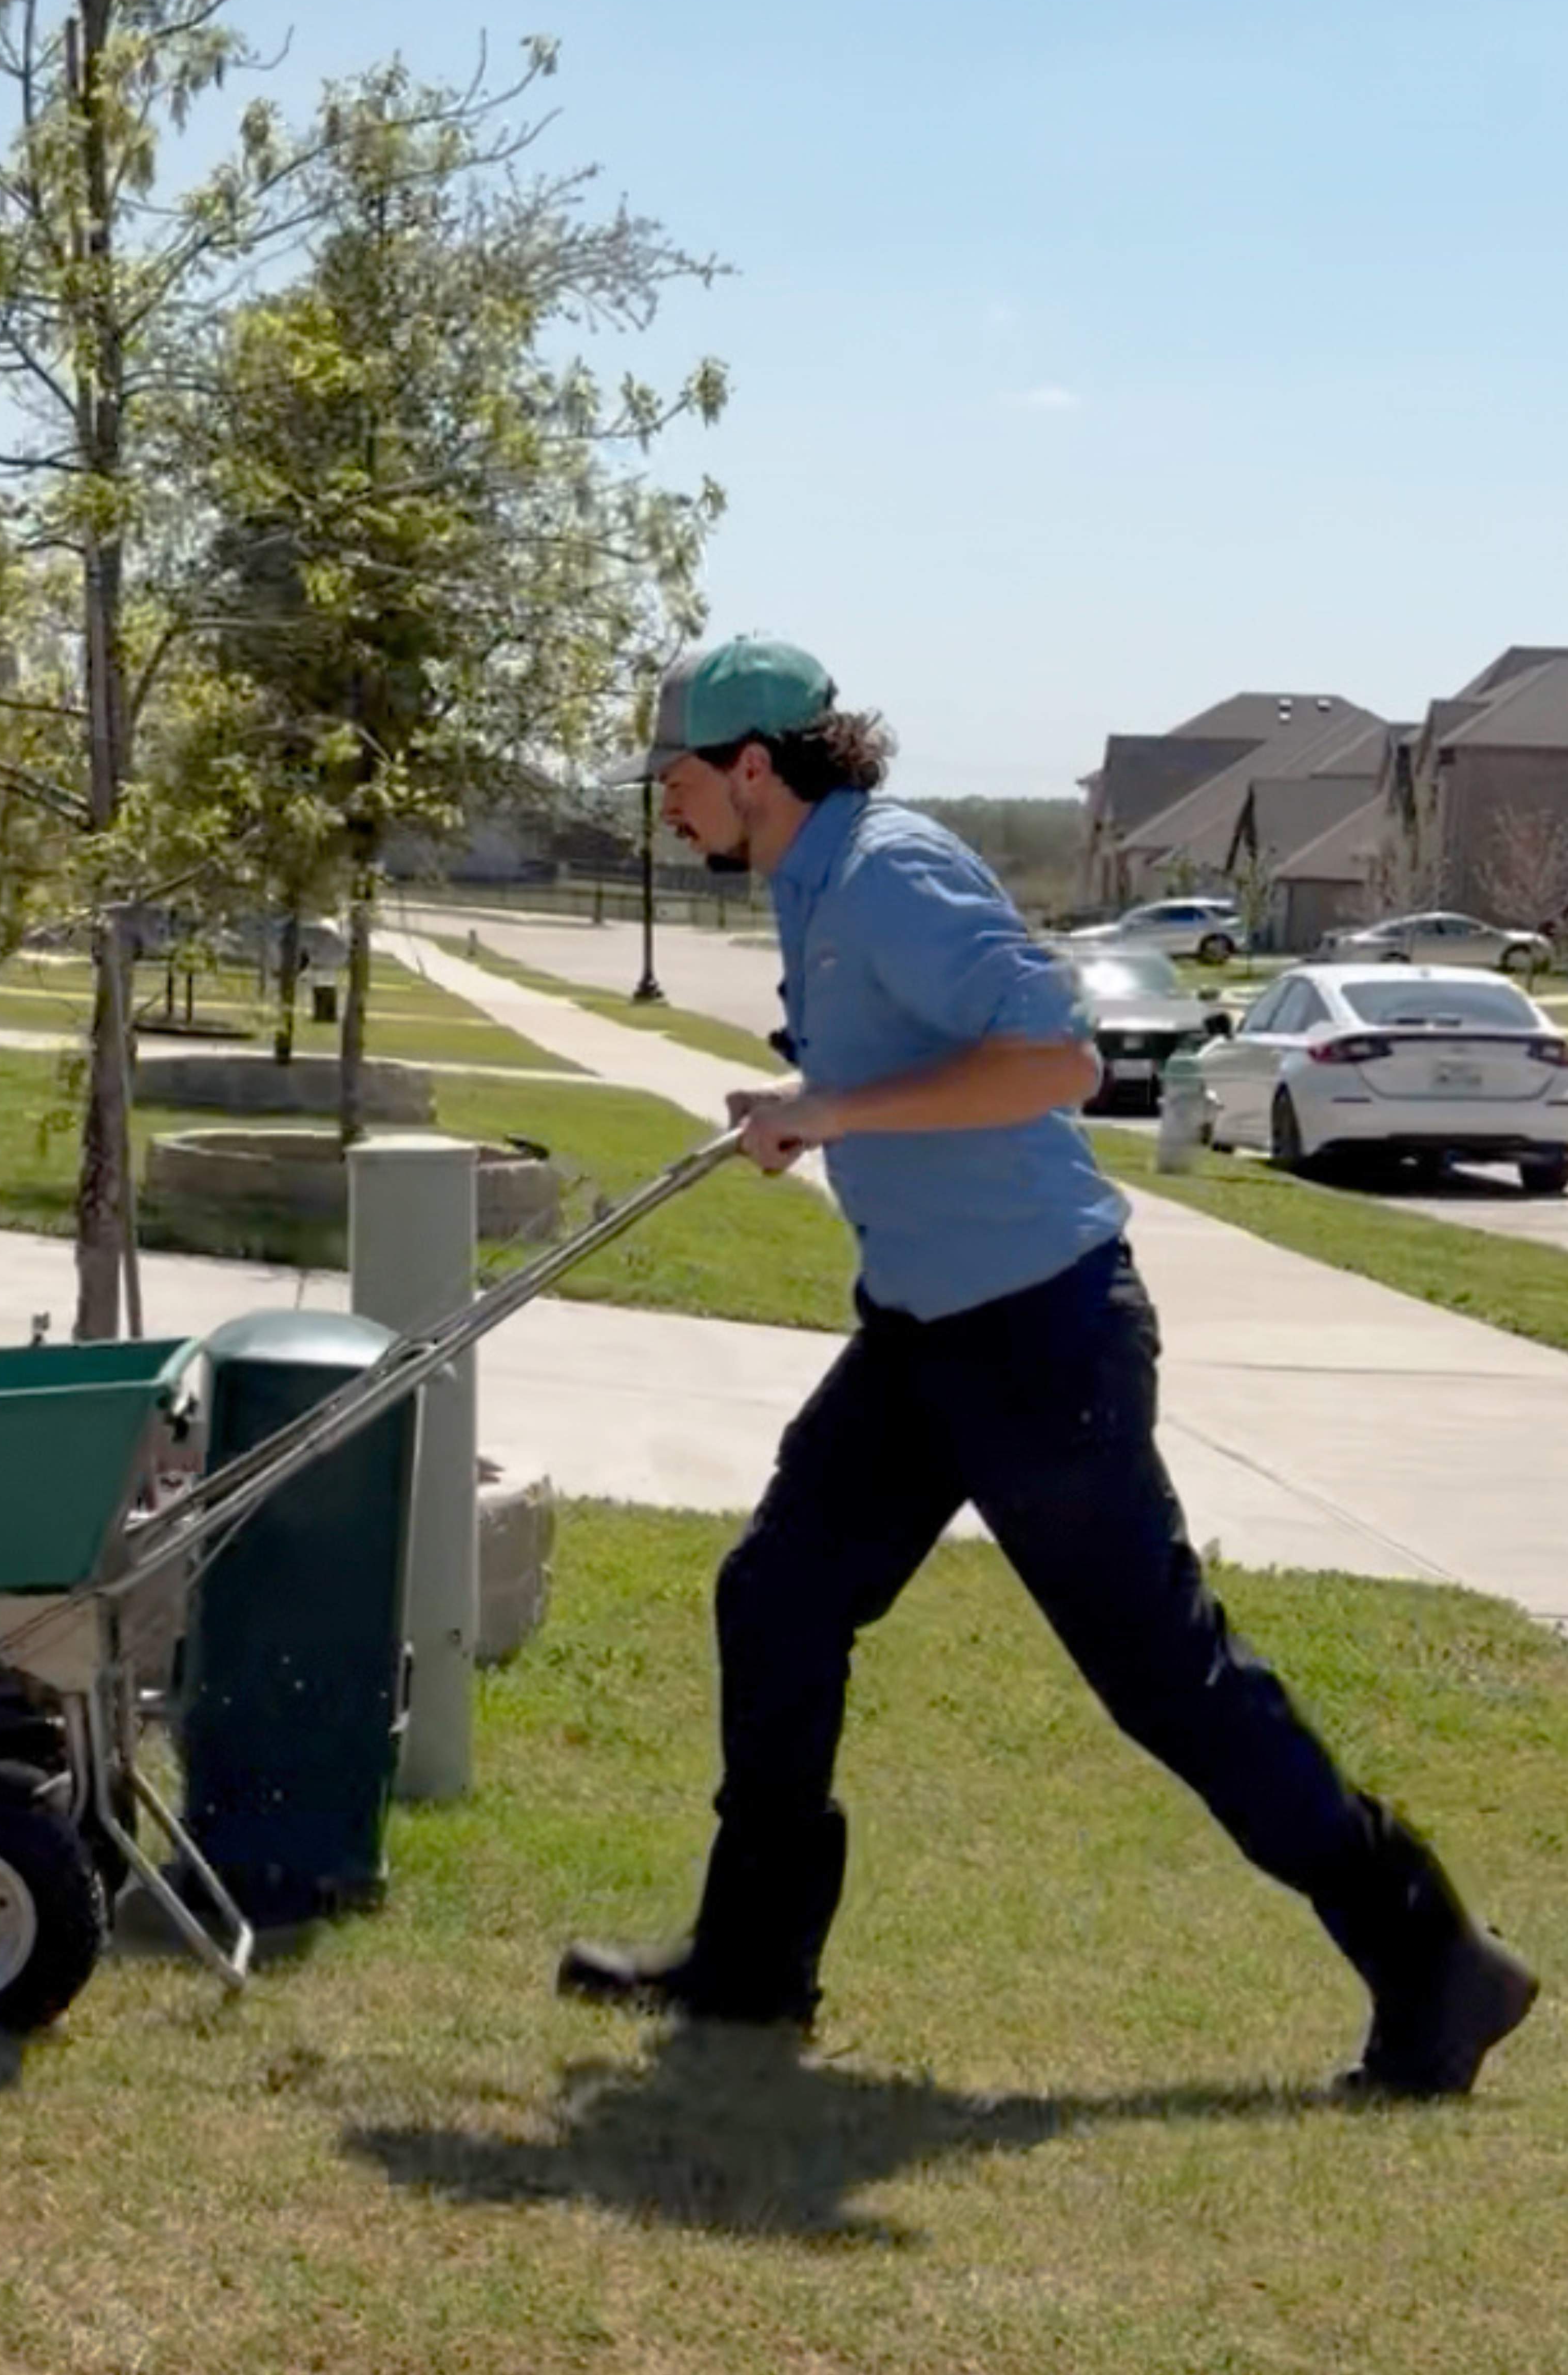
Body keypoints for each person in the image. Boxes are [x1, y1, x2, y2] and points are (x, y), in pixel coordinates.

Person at [557, 634, 1537, 2097]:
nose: (668, 808)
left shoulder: (889, 873)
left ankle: (1432, 1962)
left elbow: (1058, 1062)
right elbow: (905, 1089)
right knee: (774, 1593)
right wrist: (822, 1113)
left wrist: (827, 1111)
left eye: (679, 780)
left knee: (1166, 1682)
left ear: (754, 767)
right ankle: (755, 1963)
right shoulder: (813, 887)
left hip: (1036, 1337)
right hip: (923, 1330)